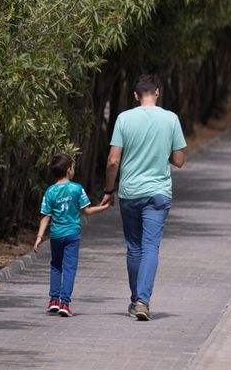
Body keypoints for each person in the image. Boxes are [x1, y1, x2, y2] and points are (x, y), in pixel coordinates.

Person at [104, 73, 186, 321]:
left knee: (134, 247)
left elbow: (113, 160)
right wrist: (163, 153)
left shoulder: (124, 119)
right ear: (158, 92)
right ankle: (142, 301)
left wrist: (108, 191)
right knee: (151, 246)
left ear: (136, 95)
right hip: (159, 193)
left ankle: (135, 300)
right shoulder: (171, 119)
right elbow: (180, 161)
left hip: (130, 192)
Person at [33, 153, 111, 318]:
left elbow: (45, 216)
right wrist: (104, 208)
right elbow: (87, 210)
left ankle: (53, 300)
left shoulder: (50, 191)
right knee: (69, 269)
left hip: (56, 235)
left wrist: (39, 237)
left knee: (56, 266)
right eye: (73, 167)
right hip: (72, 235)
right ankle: (65, 303)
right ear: (69, 170)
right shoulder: (76, 189)